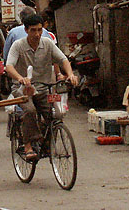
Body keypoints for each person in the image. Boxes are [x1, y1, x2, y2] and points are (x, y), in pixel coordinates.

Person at [5, 13, 78, 161]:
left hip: (44, 88)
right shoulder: (18, 45)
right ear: (26, 30)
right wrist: (20, 78)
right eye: (33, 30)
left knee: (54, 114)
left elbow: (63, 59)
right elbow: (9, 66)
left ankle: (46, 144)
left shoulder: (48, 43)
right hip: (23, 89)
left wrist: (70, 74)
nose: (37, 34)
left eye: (39, 30)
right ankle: (28, 145)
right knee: (30, 110)